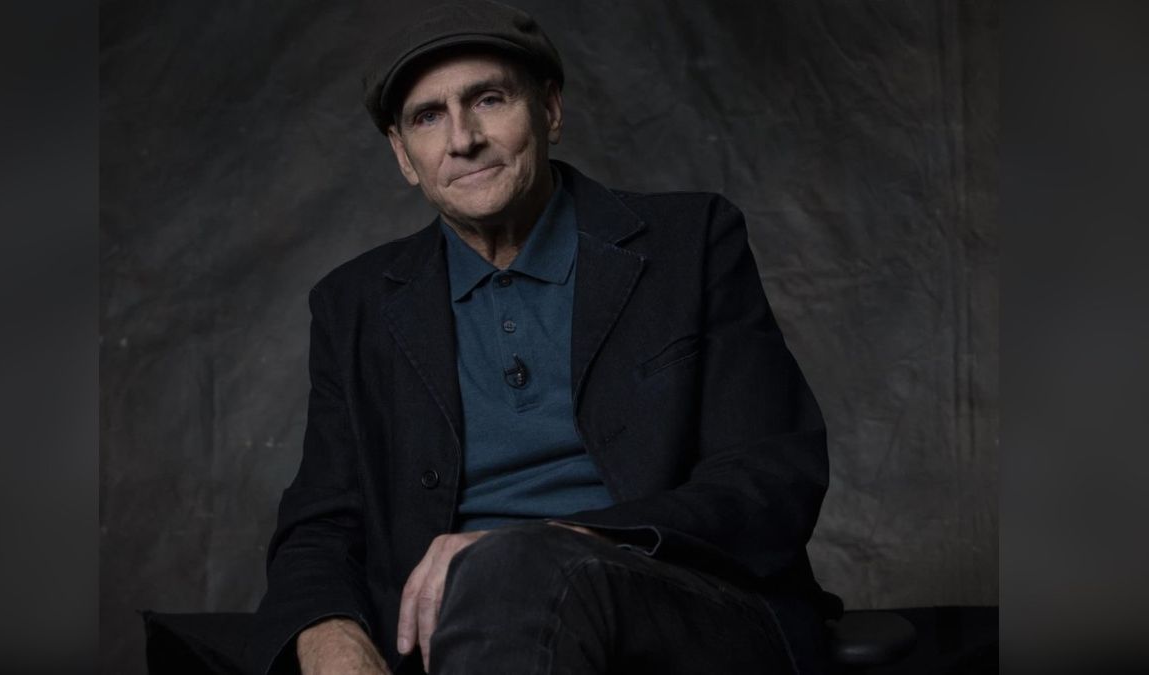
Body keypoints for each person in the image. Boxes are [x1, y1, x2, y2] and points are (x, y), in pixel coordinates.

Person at [246, 1, 839, 673]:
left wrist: (553, 542)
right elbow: (320, 527)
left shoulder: (691, 244)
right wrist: (334, 641)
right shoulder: (353, 305)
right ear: (403, 155)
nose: (462, 139)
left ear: (550, 109)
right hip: (445, 643)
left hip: (686, 610)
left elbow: (770, 479)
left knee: (515, 569)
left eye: (488, 99)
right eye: (428, 117)